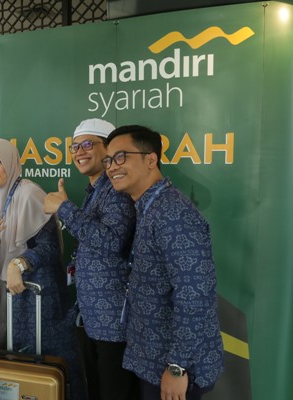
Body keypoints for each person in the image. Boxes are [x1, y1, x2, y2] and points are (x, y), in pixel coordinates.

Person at [104, 125, 223, 400]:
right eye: (108, 160)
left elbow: (195, 294)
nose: (112, 167)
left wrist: (178, 367)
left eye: (121, 157)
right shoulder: (148, 206)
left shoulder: (173, 213)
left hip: (177, 369)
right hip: (153, 360)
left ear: (151, 159)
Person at [0, 138, 86, 400]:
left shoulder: (29, 194)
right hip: (8, 292)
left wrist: (20, 263)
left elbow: (50, 247)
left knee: (44, 367)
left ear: (11, 163)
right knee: (14, 367)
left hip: (38, 295)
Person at [44, 118, 139, 400]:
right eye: (74, 146)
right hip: (92, 316)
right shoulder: (95, 190)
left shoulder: (117, 190)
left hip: (114, 322)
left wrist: (64, 208)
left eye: (87, 144)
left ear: (108, 149)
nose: (79, 152)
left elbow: (111, 241)